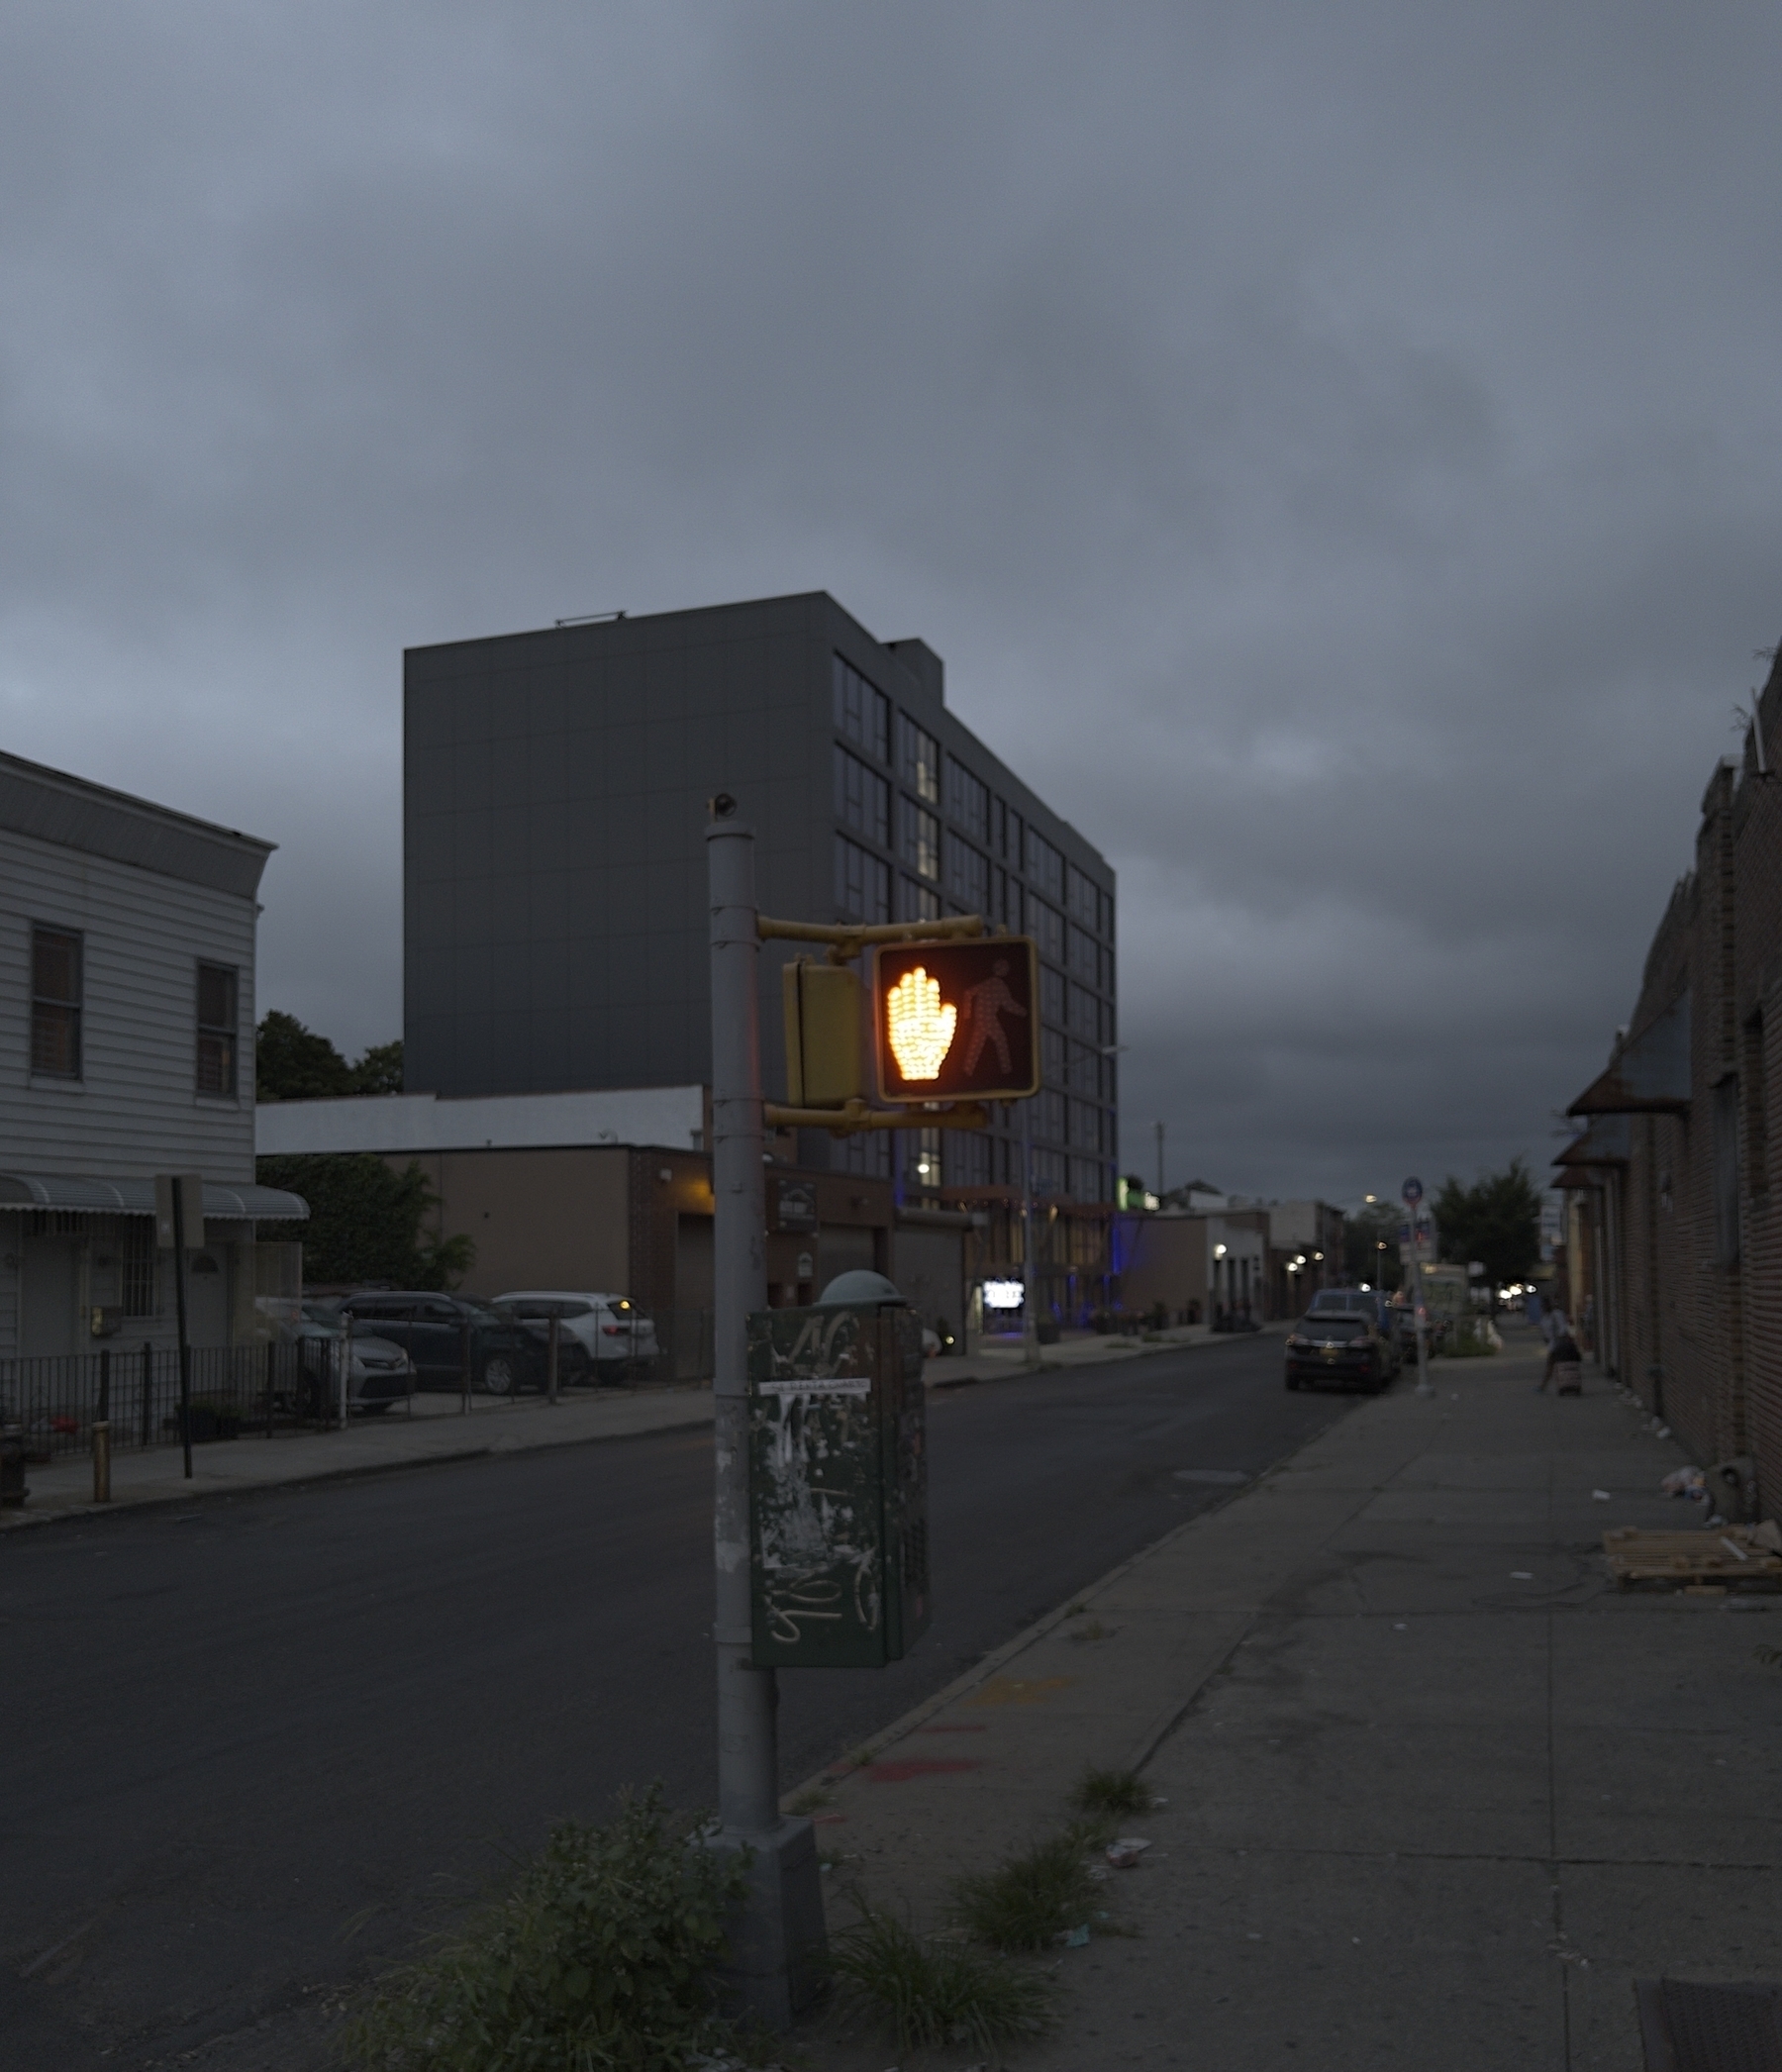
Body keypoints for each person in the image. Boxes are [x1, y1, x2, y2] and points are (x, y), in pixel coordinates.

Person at [1538, 1324, 1584, 1395]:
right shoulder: (1572, 1345)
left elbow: (1551, 1363)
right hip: (1573, 1365)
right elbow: (1579, 1358)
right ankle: (1576, 1386)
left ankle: (1561, 1387)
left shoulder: (1556, 1346)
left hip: (1561, 1365)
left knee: (1557, 1369)